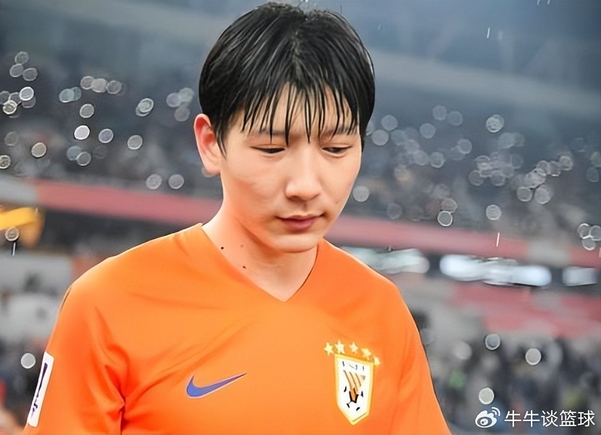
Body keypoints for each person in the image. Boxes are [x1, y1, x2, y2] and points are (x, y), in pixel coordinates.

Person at [23, 2, 450, 433]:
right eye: (272, 149)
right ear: (211, 144)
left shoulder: (383, 313)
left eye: (336, 148)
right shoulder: (107, 304)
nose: (305, 185)